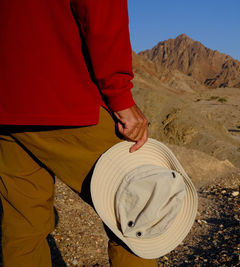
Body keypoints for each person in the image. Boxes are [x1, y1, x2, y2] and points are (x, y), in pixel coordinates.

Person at [0, 0, 157, 266]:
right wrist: (120, 98)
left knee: (23, 231)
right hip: (67, 102)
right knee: (139, 209)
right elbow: (103, 17)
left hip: (8, 105)